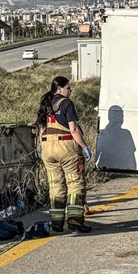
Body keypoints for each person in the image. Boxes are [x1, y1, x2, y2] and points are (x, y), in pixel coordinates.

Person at [36, 76, 92, 233]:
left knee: (55, 185)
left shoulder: (45, 105)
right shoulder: (67, 104)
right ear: (60, 89)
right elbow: (73, 130)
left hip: (47, 148)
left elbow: (41, 130)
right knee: (74, 183)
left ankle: (56, 222)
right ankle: (74, 220)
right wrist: (85, 147)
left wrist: (42, 149)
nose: (70, 90)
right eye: (68, 88)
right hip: (65, 146)